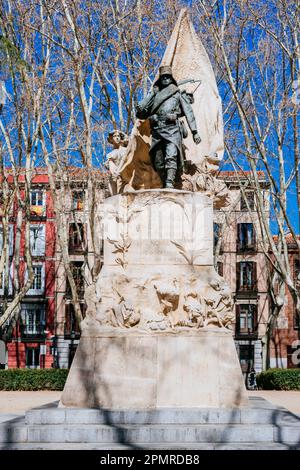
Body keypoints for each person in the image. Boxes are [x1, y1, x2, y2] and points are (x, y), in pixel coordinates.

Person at [136, 65, 201, 188]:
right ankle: (164, 181)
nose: (165, 79)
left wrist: (194, 132)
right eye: (163, 77)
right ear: (160, 79)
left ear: (171, 78)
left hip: (172, 130)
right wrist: (151, 115)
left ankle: (169, 183)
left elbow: (188, 111)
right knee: (158, 161)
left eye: (168, 77)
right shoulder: (155, 95)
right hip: (157, 131)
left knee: (171, 156)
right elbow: (140, 113)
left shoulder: (176, 93)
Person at [104, 130, 129, 195]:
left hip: (126, 174)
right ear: (111, 139)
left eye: (118, 136)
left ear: (121, 138)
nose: (117, 137)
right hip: (116, 177)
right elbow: (111, 166)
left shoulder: (126, 150)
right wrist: (115, 173)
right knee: (112, 179)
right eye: (115, 136)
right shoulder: (110, 154)